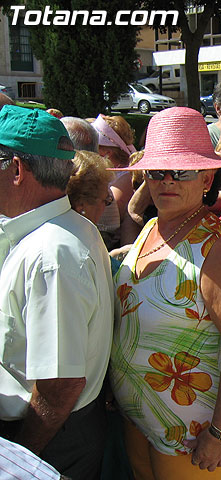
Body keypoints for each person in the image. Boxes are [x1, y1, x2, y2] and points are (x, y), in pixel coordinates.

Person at [109, 107, 221, 479]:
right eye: (158, 171)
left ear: (207, 177)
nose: (168, 180)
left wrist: (220, 433)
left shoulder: (218, 249)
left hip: (196, 435)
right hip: (145, 423)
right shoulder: (153, 228)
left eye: (182, 171)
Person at [0, 105, 115, 479]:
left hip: (46, 438)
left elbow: (61, 386)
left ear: (16, 170)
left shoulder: (51, 254)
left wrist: (19, 458)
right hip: (54, 430)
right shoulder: (59, 234)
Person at [92, 114, 138, 249]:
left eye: (94, 146)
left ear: (107, 152)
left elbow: (107, 213)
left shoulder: (126, 177)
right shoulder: (111, 173)